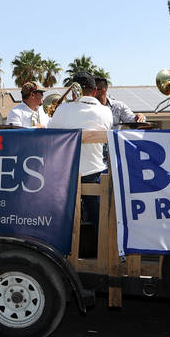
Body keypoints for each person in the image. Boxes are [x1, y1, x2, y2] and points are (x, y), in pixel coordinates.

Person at [48, 72, 113, 256]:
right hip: (95, 172)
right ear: (94, 91)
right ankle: (103, 257)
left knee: (63, 220)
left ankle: (61, 257)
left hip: (66, 173)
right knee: (98, 219)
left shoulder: (62, 110)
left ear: (74, 91)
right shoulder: (105, 111)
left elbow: (51, 133)